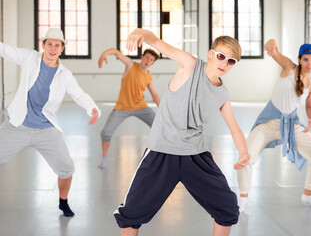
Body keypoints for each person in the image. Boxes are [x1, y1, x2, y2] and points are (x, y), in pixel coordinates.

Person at [113, 29, 250, 236]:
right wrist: (142, 33)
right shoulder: (190, 64)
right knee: (131, 214)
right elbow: (157, 42)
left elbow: (234, 127)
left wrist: (244, 152)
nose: (224, 63)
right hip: (162, 151)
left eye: (231, 61)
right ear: (211, 53)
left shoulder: (222, 93)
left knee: (228, 208)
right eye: (221, 56)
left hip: (194, 155)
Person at [0, 28, 100, 217]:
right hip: (18, 125)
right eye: (49, 44)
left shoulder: (65, 74)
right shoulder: (29, 58)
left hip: (46, 129)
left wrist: (92, 108)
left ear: (62, 48)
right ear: (43, 45)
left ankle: (63, 202)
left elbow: (79, 94)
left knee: (66, 168)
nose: (53, 48)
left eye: (57, 45)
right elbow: (5, 50)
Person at [237, 39, 311, 212]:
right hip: (268, 124)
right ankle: (243, 198)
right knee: (245, 157)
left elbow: (309, 105)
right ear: (300, 60)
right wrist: (272, 42)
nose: (310, 63)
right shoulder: (289, 68)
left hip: (291, 125)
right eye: (306, 59)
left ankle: (308, 194)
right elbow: (276, 53)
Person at [98, 48, 160, 168]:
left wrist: (163, 110)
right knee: (106, 133)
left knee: (159, 128)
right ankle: (104, 158)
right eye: (147, 57)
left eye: (151, 60)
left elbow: (155, 95)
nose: (148, 61)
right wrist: (104, 53)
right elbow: (116, 52)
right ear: (142, 57)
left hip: (141, 107)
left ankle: (159, 156)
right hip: (122, 107)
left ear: (152, 63)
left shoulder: (148, 76)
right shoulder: (130, 65)